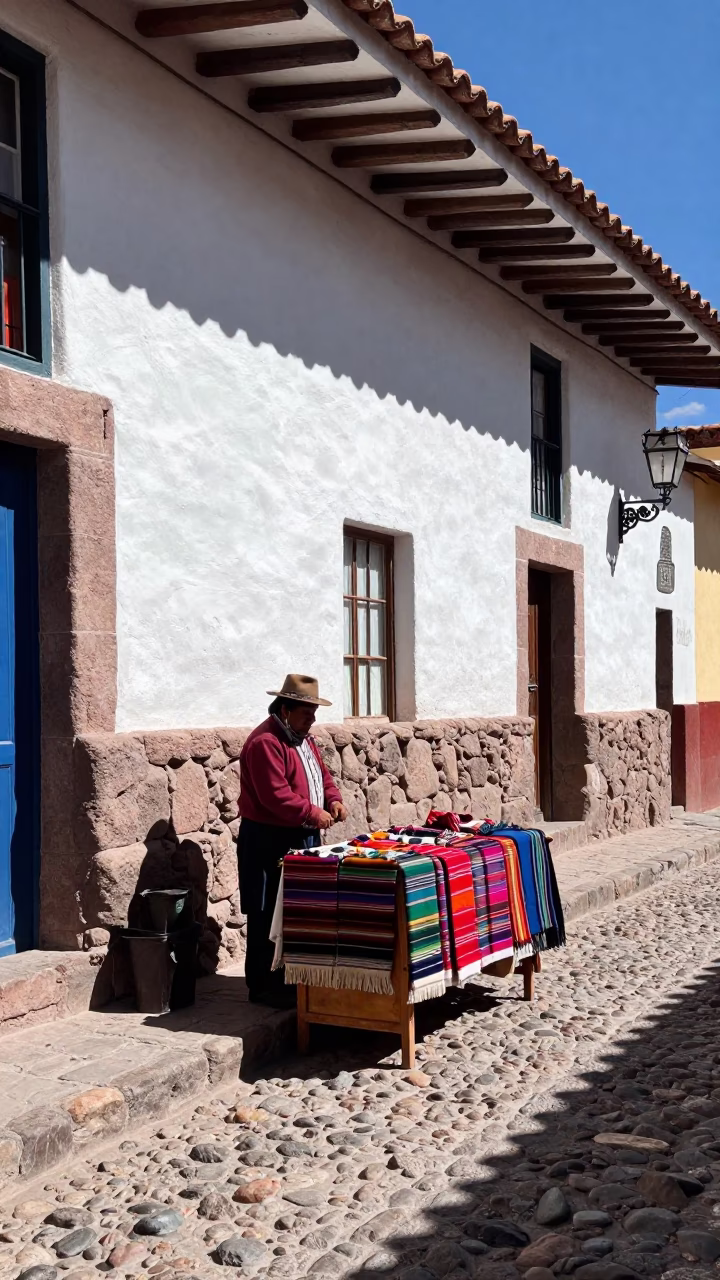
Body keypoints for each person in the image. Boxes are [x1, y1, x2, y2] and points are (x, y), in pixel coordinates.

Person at [238, 674, 347, 1007]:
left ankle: (289, 978)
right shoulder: (264, 743)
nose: (312, 720)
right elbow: (276, 796)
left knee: (294, 911)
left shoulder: (304, 739)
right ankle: (262, 985)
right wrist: (313, 814)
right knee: (265, 910)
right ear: (286, 710)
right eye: (306, 714)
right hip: (268, 840)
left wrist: (333, 798)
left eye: (313, 714)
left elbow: (321, 776)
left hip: (299, 835)